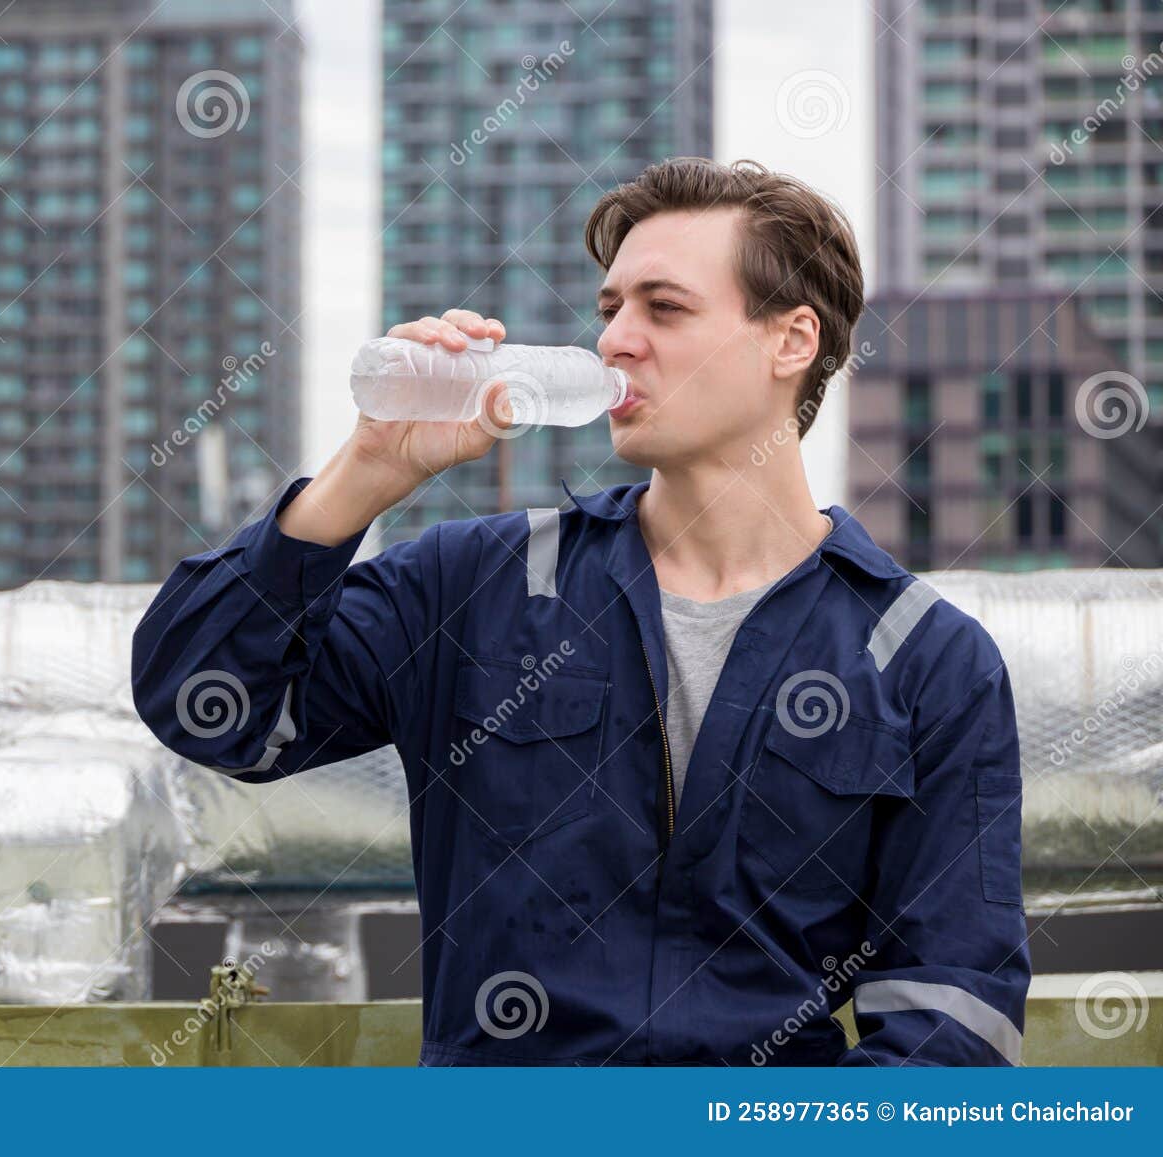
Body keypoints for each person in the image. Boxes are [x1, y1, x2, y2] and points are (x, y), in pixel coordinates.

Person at [132, 156, 1030, 1066]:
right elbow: (214, 710)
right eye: (611, 310)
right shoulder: (479, 585)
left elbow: (952, 1015)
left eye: (664, 308)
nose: (615, 342)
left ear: (790, 340)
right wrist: (362, 476)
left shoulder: (922, 658)